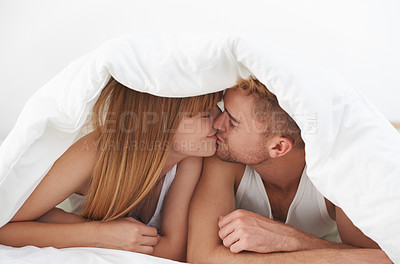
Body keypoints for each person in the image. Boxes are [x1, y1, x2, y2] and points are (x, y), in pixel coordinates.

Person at [0, 77, 222, 262]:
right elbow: (5, 225)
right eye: (204, 115)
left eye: (217, 107)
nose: (219, 119)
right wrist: (99, 234)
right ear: (159, 126)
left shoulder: (191, 159)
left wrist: (60, 222)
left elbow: (175, 250)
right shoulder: (95, 152)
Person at [188, 77, 392, 263]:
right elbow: (201, 256)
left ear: (278, 147)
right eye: (224, 110)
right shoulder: (223, 157)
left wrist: (289, 239)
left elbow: (380, 259)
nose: (216, 123)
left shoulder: (337, 172)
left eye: (232, 122)